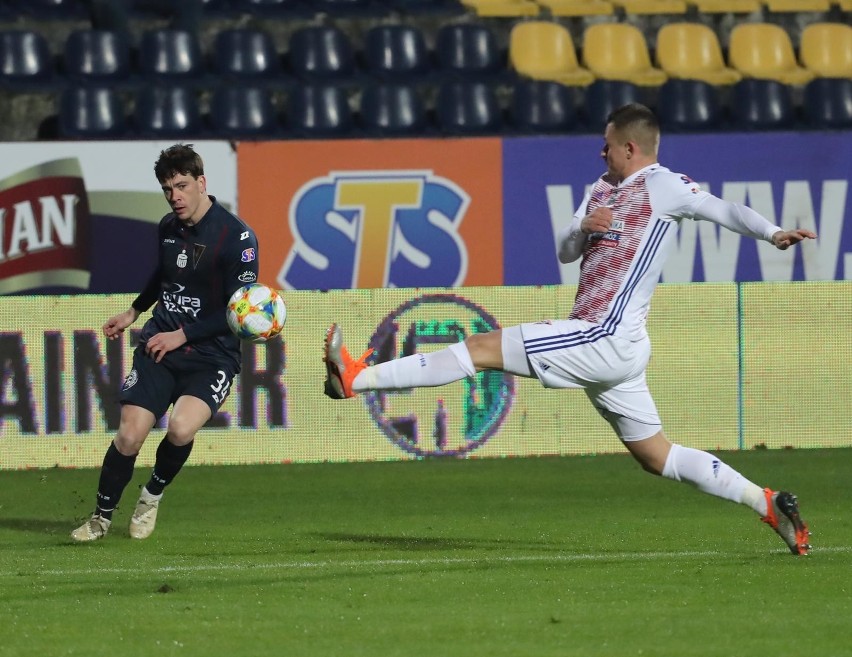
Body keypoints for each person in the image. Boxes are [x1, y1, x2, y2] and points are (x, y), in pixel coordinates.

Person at [322, 103, 816, 556]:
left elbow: (722, 209)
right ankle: (766, 502)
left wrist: (772, 232)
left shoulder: (663, 186)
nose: (601, 150)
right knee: (657, 456)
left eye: (608, 143)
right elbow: (564, 251)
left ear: (631, 147)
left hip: (604, 334)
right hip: (614, 348)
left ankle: (355, 378)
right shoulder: (600, 189)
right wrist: (585, 228)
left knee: (479, 347)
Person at [71, 144, 259, 542]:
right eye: (167, 188)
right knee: (129, 434)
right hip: (160, 344)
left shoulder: (236, 238)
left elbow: (236, 310)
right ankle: (101, 517)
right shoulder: (168, 228)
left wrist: (183, 335)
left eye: (182, 185)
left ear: (201, 182)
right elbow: (163, 274)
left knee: (179, 430)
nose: (175, 196)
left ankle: (151, 495)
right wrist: (134, 312)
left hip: (212, 356)